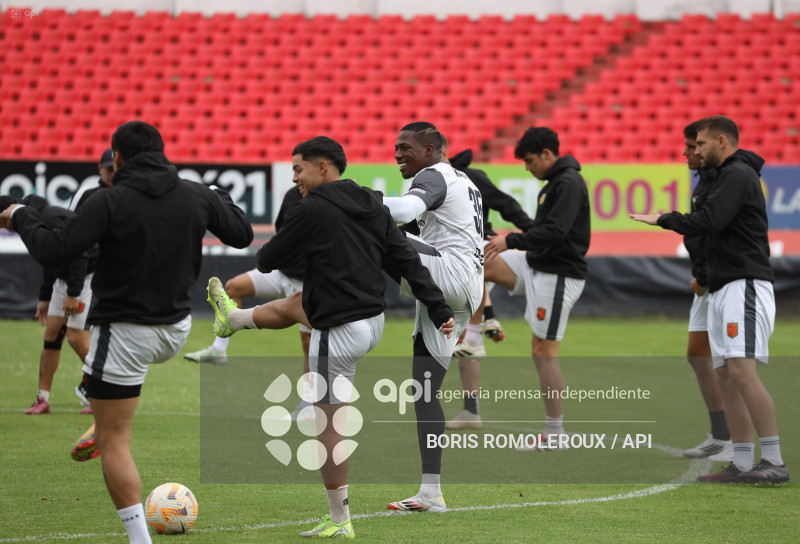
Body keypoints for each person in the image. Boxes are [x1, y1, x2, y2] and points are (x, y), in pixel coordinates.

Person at [1, 121, 254, 543]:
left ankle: (139, 536)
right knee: (109, 412)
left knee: (116, 441)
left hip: (125, 333)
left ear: (117, 158)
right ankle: (101, 421)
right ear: (162, 152)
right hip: (176, 328)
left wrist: (22, 215)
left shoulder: (108, 200)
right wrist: (214, 194)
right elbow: (242, 234)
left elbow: (54, 250)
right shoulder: (193, 193)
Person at [206, 135, 454, 538]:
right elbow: (403, 256)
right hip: (372, 321)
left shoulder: (311, 209)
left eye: (299, 169)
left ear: (323, 168)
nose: (295, 178)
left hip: (337, 333)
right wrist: (438, 305)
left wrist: (307, 244)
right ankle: (234, 319)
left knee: (329, 426)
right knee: (299, 302)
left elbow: (268, 259)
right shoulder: (371, 201)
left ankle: (339, 520)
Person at [631, 115, 788, 484]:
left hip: (743, 284)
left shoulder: (737, 174)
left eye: (699, 143)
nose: (694, 149)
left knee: (741, 372)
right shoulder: (720, 177)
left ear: (721, 140)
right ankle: (744, 462)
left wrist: (664, 219)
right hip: (723, 285)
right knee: (725, 374)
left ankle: (775, 461)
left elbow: (710, 221)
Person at [381, 122, 484, 513]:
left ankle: (357, 305)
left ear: (430, 148)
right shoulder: (465, 182)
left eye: (405, 147)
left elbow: (404, 211)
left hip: (449, 276)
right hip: (461, 286)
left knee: (367, 223)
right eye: (395, 148)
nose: (397, 154)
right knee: (425, 392)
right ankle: (431, 494)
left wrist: (355, 200)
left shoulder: (435, 174)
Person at [483, 126, 590, 451]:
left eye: (530, 161)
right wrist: (504, 242)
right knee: (480, 262)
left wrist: (510, 240)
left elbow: (555, 232)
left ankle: (556, 434)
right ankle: (477, 330)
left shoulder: (568, 183)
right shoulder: (555, 183)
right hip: (538, 266)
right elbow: (545, 230)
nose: (527, 168)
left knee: (544, 352)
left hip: (558, 275)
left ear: (547, 154)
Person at [441, 136, 535, 431]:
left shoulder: (469, 177)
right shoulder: (426, 182)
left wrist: (534, 234)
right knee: (460, 338)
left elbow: (506, 204)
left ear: (438, 151)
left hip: (479, 257)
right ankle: (471, 411)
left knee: (461, 334)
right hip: (455, 263)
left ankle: (483, 322)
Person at [0, 194, 96, 415]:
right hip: (65, 281)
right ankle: (42, 399)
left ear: (6, 216)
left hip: (85, 278)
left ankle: (103, 393)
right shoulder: (29, 222)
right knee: (52, 334)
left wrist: (73, 293)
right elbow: (49, 258)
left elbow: (80, 252)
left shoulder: (48, 217)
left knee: (76, 337)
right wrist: (45, 297)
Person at [678, 121, 732, 462]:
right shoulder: (706, 182)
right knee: (698, 356)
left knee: (730, 365)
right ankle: (720, 435)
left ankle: (736, 444)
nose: (689, 152)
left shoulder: (725, 181)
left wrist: (707, 275)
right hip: (705, 281)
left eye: (694, 145)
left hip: (721, 282)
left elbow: (717, 234)